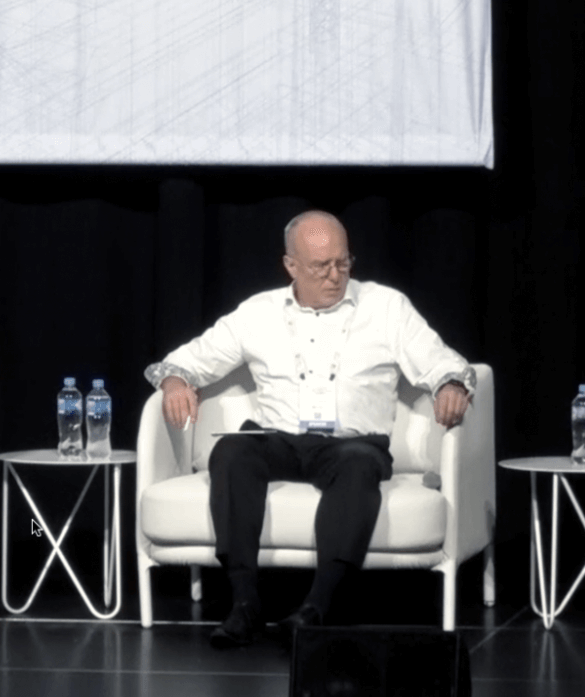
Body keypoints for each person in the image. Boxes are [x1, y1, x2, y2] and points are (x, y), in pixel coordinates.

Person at [147, 210, 476, 648]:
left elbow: (444, 361)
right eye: (321, 266)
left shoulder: (386, 307)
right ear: (291, 266)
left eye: (343, 262)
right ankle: (244, 602)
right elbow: (184, 360)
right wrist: (174, 382)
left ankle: (316, 607)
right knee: (231, 451)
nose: (335, 276)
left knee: (359, 465)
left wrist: (451, 384)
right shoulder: (258, 313)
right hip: (278, 438)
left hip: (351, 444)